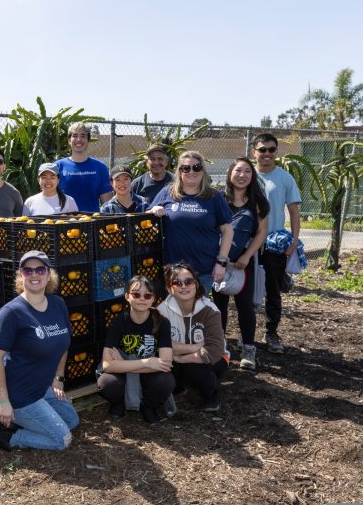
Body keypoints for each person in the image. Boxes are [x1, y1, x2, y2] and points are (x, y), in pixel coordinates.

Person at [0, 250, 79, 457]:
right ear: (21, 275)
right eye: (28, 270)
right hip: (17, 394)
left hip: (41, 387)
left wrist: (58, 378)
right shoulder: (11, 312)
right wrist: (3, 402)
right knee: (62, 439)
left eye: (40, 269)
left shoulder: (58, 304)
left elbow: (63, 343)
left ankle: (28, 420)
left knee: (72, 421)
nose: (34, 275)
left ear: (49, 274)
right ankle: (4, 436)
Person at [211, 158, 270, 371]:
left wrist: (247, 256)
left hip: (243, 265)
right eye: (238, 170)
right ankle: (220, 346)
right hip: (218, 262)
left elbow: (262, 231)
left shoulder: (258, 201)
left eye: (247, 171)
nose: (242, 175)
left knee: (245, 306)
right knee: (219, 306)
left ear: (252, 176)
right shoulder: (218, 198)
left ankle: (248, 349)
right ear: (230, 173)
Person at [147, 151, 233, 293]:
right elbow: (147, 218)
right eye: (185, 168)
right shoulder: (167, 192)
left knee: (197, 312)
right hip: (173, 270)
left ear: (203, 171)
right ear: (179, 172)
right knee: (174, 313)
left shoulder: (214, 196)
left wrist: (221, 262)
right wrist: (153, 209)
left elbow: (227, 230)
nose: (191, 171)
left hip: (203, 270)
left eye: (196, 167)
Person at [97, 276, 174, 424]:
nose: (142, 299)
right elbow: (107, 365)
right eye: (136, 294)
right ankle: (118, 403)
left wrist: (123, 365)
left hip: (141, 371)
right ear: (127, 296)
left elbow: (165, 363)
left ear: (153, 299)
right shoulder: (119, 322)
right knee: (107, 382)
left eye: (147, 295)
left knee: (166, 381)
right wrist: (146, 362)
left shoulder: (162, 322)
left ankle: (149, 406)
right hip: (143, 368)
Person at [252, 133, 302, 354]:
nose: (267, 154)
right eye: (262, 150)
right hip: (247, 242)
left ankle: (271, 332)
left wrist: (293, 241)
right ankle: (244, 336)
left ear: (276, 152)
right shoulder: (245, 174)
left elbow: (293, 210)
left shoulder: (284, 178)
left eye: (271, 150)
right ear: (254, 152)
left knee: (272, 290)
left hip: (273, 243)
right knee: (244, 289)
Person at [157, 262, 229, 412]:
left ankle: (211, 396)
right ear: (169, 288)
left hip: (214, 359)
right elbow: (160, 345)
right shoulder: (162, 311)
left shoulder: (210, 310)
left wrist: (180, 358)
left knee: (193, 369)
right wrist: (194, 347)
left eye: (188, 281)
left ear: (196, 284)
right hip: (179, 356)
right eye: (177, 283)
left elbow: (215, 350)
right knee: (163, 364)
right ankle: (178, 387)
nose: (184, 286)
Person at [55, 122, 113, 212]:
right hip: (63, 222)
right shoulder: (57, 166)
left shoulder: (100, 167)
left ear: (88, 140)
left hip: (91, 223)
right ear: (69, 140)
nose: (79, 139)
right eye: (75, 135)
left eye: (83, 136)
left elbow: (107, 204)